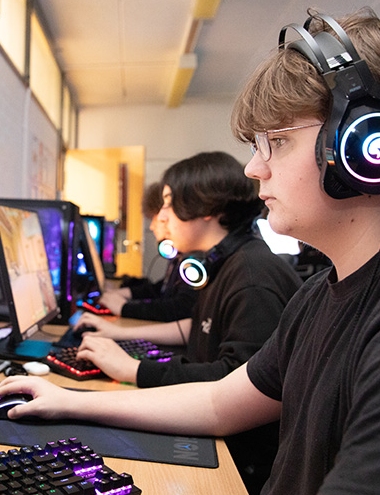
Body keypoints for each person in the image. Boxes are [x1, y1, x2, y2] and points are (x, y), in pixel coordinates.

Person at [0, 8, 380, 495]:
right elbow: (218, 404)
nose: (253, 169)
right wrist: (66, 400)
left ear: (371, 145)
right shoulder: (320, 295)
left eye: (277, 142)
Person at [74, 151, 302, 493]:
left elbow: (236, 380)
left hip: (241, 462)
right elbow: (196, 332)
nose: (161, 219)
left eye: (168, 204)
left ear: (204, 207)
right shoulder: (223, 265)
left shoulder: (252, 275)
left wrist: (137, 370)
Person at [99, 181, 199, 321]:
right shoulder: (178, 256)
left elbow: (181, 308)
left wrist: (125, 308)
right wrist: (127, 293)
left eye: (155, 219)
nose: (152, 227)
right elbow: (163, 289)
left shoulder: (194, 261)